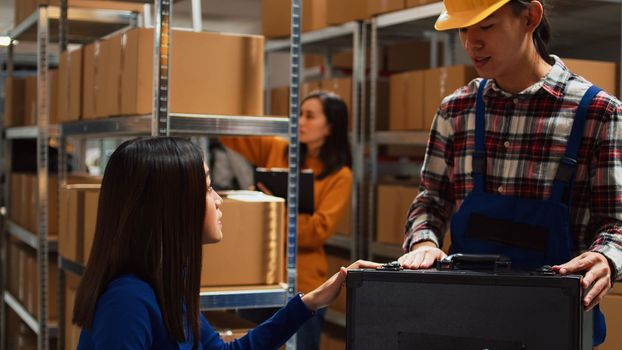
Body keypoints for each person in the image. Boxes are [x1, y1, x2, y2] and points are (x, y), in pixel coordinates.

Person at [396, 0, 622, 346]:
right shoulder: (456, 110)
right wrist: (424, 240)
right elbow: (431, 200)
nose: (472, 42)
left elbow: (616, 224)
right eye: (463, 29)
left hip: (555, 325)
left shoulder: (599, 113)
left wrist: (607, 257)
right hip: (461, 320)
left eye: (486, 26)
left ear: (530, 17)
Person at [72, 137, 378, 349]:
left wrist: (311, 301)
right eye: (207, 189)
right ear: (170, 206)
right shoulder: (127, 300)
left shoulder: (165, 283)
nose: (219, 201)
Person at [220, 91, 353, 350]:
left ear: (330, 127)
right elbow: (232, 134)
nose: (300, 121)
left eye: (310, 116)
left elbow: (317, 231)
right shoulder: (279, 150)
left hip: (303, 282)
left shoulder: (340, 175)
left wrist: (273, 209)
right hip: (257, 276)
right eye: (299, 114)